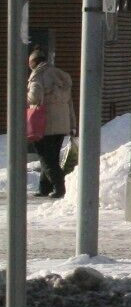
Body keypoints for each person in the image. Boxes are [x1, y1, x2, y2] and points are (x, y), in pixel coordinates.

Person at [27, 47, 73, 199]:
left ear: (34, 62)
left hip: (45, 124)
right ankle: (44, 188)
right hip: (62, 124)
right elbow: (69, 103)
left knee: (46, 159)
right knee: (52, 157)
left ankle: (60, 188)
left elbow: (34, 97)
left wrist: (24, 97)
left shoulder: (37, 75)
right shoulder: (60, 75)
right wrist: (72, 124)